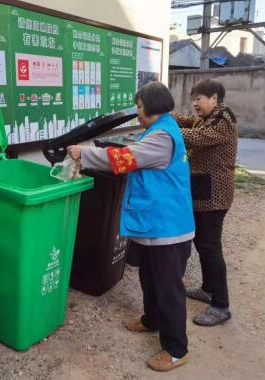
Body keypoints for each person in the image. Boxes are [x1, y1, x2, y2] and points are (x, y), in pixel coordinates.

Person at [67, 81, 195, 372]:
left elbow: (128, 158)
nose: (137, 112)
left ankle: (176, 349)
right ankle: (152, 320)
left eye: (139, 106)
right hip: (155, 224)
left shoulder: (163, 136)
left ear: (152, 106)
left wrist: (82, 153)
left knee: (168, 287)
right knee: (149, 278)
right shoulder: (159, 129)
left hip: (168, 228)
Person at [171, 78, 238, 327]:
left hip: (216, 195)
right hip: (203, 191)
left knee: (210, 247)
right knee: (202, 243)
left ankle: (221, 305)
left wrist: (167, 129)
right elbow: (188, 121)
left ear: (214, 98)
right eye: (194, 98)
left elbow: (196, 137)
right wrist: (166, 114)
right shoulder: (208, 117)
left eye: (199, 98)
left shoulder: (224, 120)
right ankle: (208, 289)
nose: (195, 103)